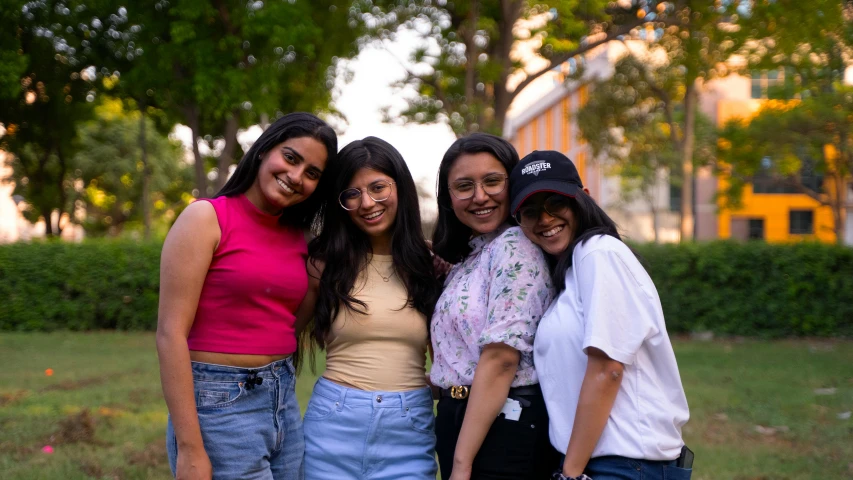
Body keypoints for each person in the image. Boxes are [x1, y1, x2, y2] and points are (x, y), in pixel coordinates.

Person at [156, 112, 337, 480]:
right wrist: (191, 449)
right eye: (290, 157)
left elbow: (289, 322)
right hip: (219, 405)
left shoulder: (300, 237)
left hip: (282, 398)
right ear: (263, 151)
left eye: (312, 173)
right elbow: (169, 334)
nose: (296, 176)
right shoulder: (206, 218)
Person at [508, 150, 691, 480]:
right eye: (530, 211)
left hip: (624, 464)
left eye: (556, 203)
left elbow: (607, 369)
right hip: (606, 464)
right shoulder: (572, 271)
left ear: (583, 199)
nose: (545, 218)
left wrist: (571, 473)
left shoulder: (598, 253)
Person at [300, 137, 442, 479]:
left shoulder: (432, 264)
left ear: (400, 188)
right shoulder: (322, 264)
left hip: (408, 429)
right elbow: (280, 339)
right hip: (332, 424)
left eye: (378, 187)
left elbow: (450, 362)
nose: (367, 203)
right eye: (352, 193)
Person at [429, 133, 559, 480]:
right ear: (449, 196)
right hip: (462, 416)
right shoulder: (474, 252)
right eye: (464, 186)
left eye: (492, 181)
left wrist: (461, 463)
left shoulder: (515, 245)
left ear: (512, 183)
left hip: (505, 422)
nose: (479, 196)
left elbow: (502, 359)